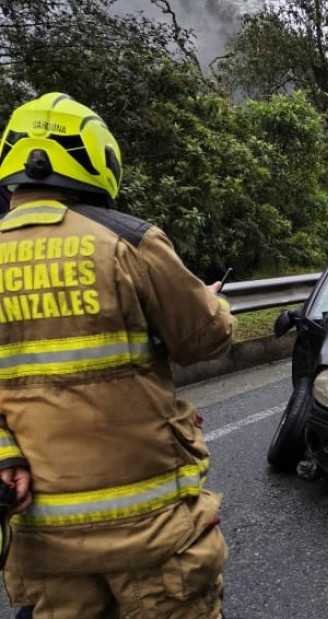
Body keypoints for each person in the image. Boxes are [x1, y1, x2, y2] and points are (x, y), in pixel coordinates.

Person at [0, 93, 234, 617]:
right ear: (96, 160)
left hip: (45, 544)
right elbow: (205, 339)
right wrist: (213, 303)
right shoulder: (128, 241)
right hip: (150, 533)